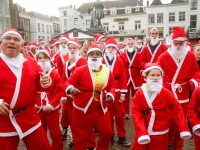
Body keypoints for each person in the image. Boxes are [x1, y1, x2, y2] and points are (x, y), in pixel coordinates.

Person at [0, 29, 52, 149]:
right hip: (3, 119)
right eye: (8, 38)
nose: (12, 42)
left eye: (16, 39)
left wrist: (46, 82)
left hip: (29, 116)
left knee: (43, 147)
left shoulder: (31, 62)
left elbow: (42, 84)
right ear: (1, 43)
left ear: (22, 46)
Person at [63, 43, 115, 150]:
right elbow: (67, 83)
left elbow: (112, 85)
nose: (95, 56)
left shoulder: (107, 71)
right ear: (88, 56)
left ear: (101, 56)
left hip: (100, 109)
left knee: (106, 133)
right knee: (80, 137)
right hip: (82, 109)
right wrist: (71, 89)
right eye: (92, 54)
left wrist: (110, 94)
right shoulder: (80, 70)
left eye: (97, 54)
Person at [157, 26, 200, 150]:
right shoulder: (163, 57)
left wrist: (192, 83)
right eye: (176, 43)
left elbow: (196, 73)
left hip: (183, 94)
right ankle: (168, 143)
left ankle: (178, 145)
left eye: (181, 43)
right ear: (172, 42)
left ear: (185, 43)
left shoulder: (190, 56)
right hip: (167, 92)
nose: (178, 46)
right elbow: (158, 72)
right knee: (168, 119)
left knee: (181, 120)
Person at [132, 63, 191, 150]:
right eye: (152, 75)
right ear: (146, 76)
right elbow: (135, 112)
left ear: (161, 76)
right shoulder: (140, 93)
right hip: (144, 127)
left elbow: (177, 108)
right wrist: (141, 130)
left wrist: (183, 128)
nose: (155, 78)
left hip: (160, 128)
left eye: (158, 75)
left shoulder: (165, 92)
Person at [103, 37, 131, 147]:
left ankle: (122, 136)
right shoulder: (101, 60)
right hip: (105, 90)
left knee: (120, 115)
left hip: (118, 90)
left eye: (112, 47)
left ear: (115, 49)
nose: (110, 49)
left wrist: (123, 93)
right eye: (109, 47)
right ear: (106, 48)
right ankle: (110, 135)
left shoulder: (119, 60)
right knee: (107, 115)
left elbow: (123, 77)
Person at [35, 49, 63, 150]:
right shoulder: (34, 73)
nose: (42, 60)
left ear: (49, 59)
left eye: (45, 58)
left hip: (52, 107)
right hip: (38, 107)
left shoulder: (55, 73)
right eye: (40, 58)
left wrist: (51, 105)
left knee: (55, 132)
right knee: (40, 132)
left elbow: (59, 91)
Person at [120, 38, 141, 119]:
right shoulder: (122, 55)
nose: (130, 44)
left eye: (132, 43)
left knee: (137, 96)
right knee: (125, 96)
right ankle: (126, 112)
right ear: (126, 44)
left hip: (136, 77)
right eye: (129, 43)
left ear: (134, 44)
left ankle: (137, 112)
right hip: (126, 77)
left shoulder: (139, 54)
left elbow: (141, 65)